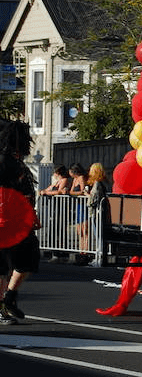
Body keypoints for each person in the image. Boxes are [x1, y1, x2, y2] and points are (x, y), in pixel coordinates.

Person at [0, 120, 40, 326]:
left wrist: (30, 215)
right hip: (2, 220)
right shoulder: (3, 162)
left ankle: (9, 297)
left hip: (18, 220)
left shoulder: (17, 162)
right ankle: (1, 307)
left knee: (28, 258)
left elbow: (25, 193)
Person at [78, 163, 107, 264]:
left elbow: (93, 199)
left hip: (96, 213)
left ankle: (99, 257)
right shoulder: (100, 183)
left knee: (98, 235)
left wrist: (87, 195)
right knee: (98, 235)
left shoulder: (97, 184)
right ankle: (99, 257)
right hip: (97, 213)